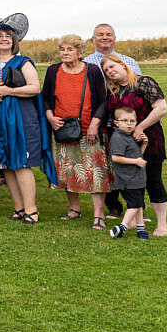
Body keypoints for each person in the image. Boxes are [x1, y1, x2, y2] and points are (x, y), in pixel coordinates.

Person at [0, 13, 56, 224]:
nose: (4, 39)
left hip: (21, 117)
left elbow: (35, 88)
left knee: (21, 162)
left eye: (8, 36)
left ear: (14, 41)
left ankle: (31, 208)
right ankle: (18, 207)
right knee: (6, 164)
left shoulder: (22, 61)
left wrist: (9, 92)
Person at [42, 34, 110, 230]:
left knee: (95, 172)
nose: (65, 52)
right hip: (62, 129)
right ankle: (74, 209)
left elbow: (104, 100)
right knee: (68, 171)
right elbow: (46, 98)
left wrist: (95, 124)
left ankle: (99, 214)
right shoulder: (53, 70)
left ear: (80, 52)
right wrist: (50, 116)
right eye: (62, 49)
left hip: (89, 130)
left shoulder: (93, 71)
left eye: (70, 49)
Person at [101, 54, 167, 236]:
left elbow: (161, 108)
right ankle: (134, 221)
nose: (110, 72)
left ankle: (162, 225)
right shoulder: (114, 90)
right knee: (130, 182)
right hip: (124, 145)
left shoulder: (144, 82)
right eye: (106, 70)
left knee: (153, 181)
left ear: (122, 64)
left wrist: (140, 127)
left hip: (150, 139)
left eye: (112, 67)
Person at [107, 106, 150, 240]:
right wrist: (136, 162)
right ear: (116, 122)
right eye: (125, 121)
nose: (129, 124)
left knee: (138, 204)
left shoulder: (129, 136)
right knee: (135, 205)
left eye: (132, 121)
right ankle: (121, 227)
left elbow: (138, 156)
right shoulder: (118, 137)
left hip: (138, 178)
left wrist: (144, 145)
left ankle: (141, 230)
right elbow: (116, 158)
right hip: (127, 179)